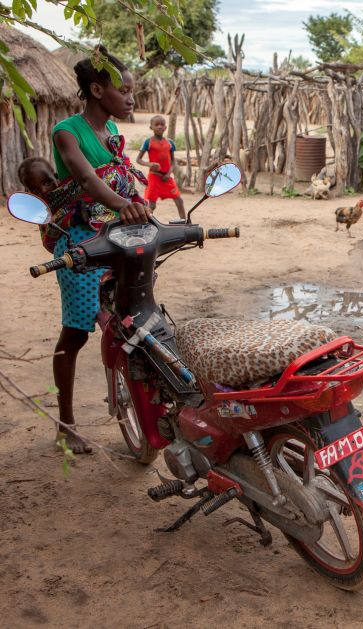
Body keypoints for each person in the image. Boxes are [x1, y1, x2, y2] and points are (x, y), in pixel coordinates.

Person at [49, 46, 150, 454]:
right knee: (75, 334)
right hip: (80, 244)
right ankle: (65, 422)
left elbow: (119, 179)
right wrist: (124, 206)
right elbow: (88, 180)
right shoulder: (67, 131)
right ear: (96, 89)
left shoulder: (112, 135)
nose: (131, 98)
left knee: (132, 322)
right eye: (124, 90)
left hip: (116, 241)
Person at [137, 114, 185, 219]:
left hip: (166, 178)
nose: (159, 126)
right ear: (151, 127)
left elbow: (172, 161)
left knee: (179, 201)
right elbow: (138, 159)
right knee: (152, 205)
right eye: (156, 124)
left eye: (162, 124)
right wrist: (149, 164)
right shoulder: (148, 142)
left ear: (165, 127)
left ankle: (185, 223)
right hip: (154, 177)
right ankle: (146, 224)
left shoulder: (170, 143)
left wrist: (169, 173)